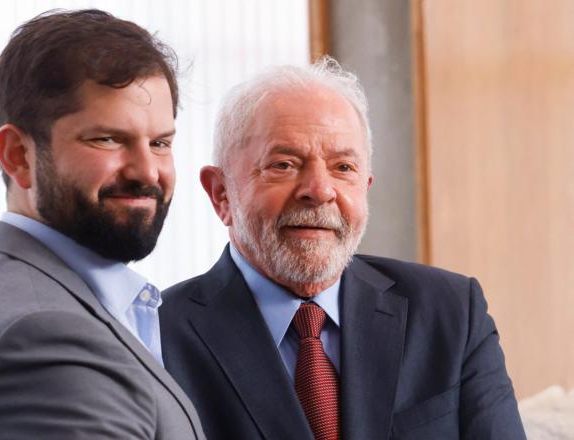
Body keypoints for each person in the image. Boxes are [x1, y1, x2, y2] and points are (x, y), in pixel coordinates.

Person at [159, 58, 526, 440]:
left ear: (365, 186)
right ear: (221, 194)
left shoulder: (451, 312)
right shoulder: (157, 337)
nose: (319, 191)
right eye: (283, 164)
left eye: (343, 167)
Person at [0, 9, 204, 440]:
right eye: (107, 139)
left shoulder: (37, 293)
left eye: (160, 143)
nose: (148, 171)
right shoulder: (46, 336)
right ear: (18, 154)